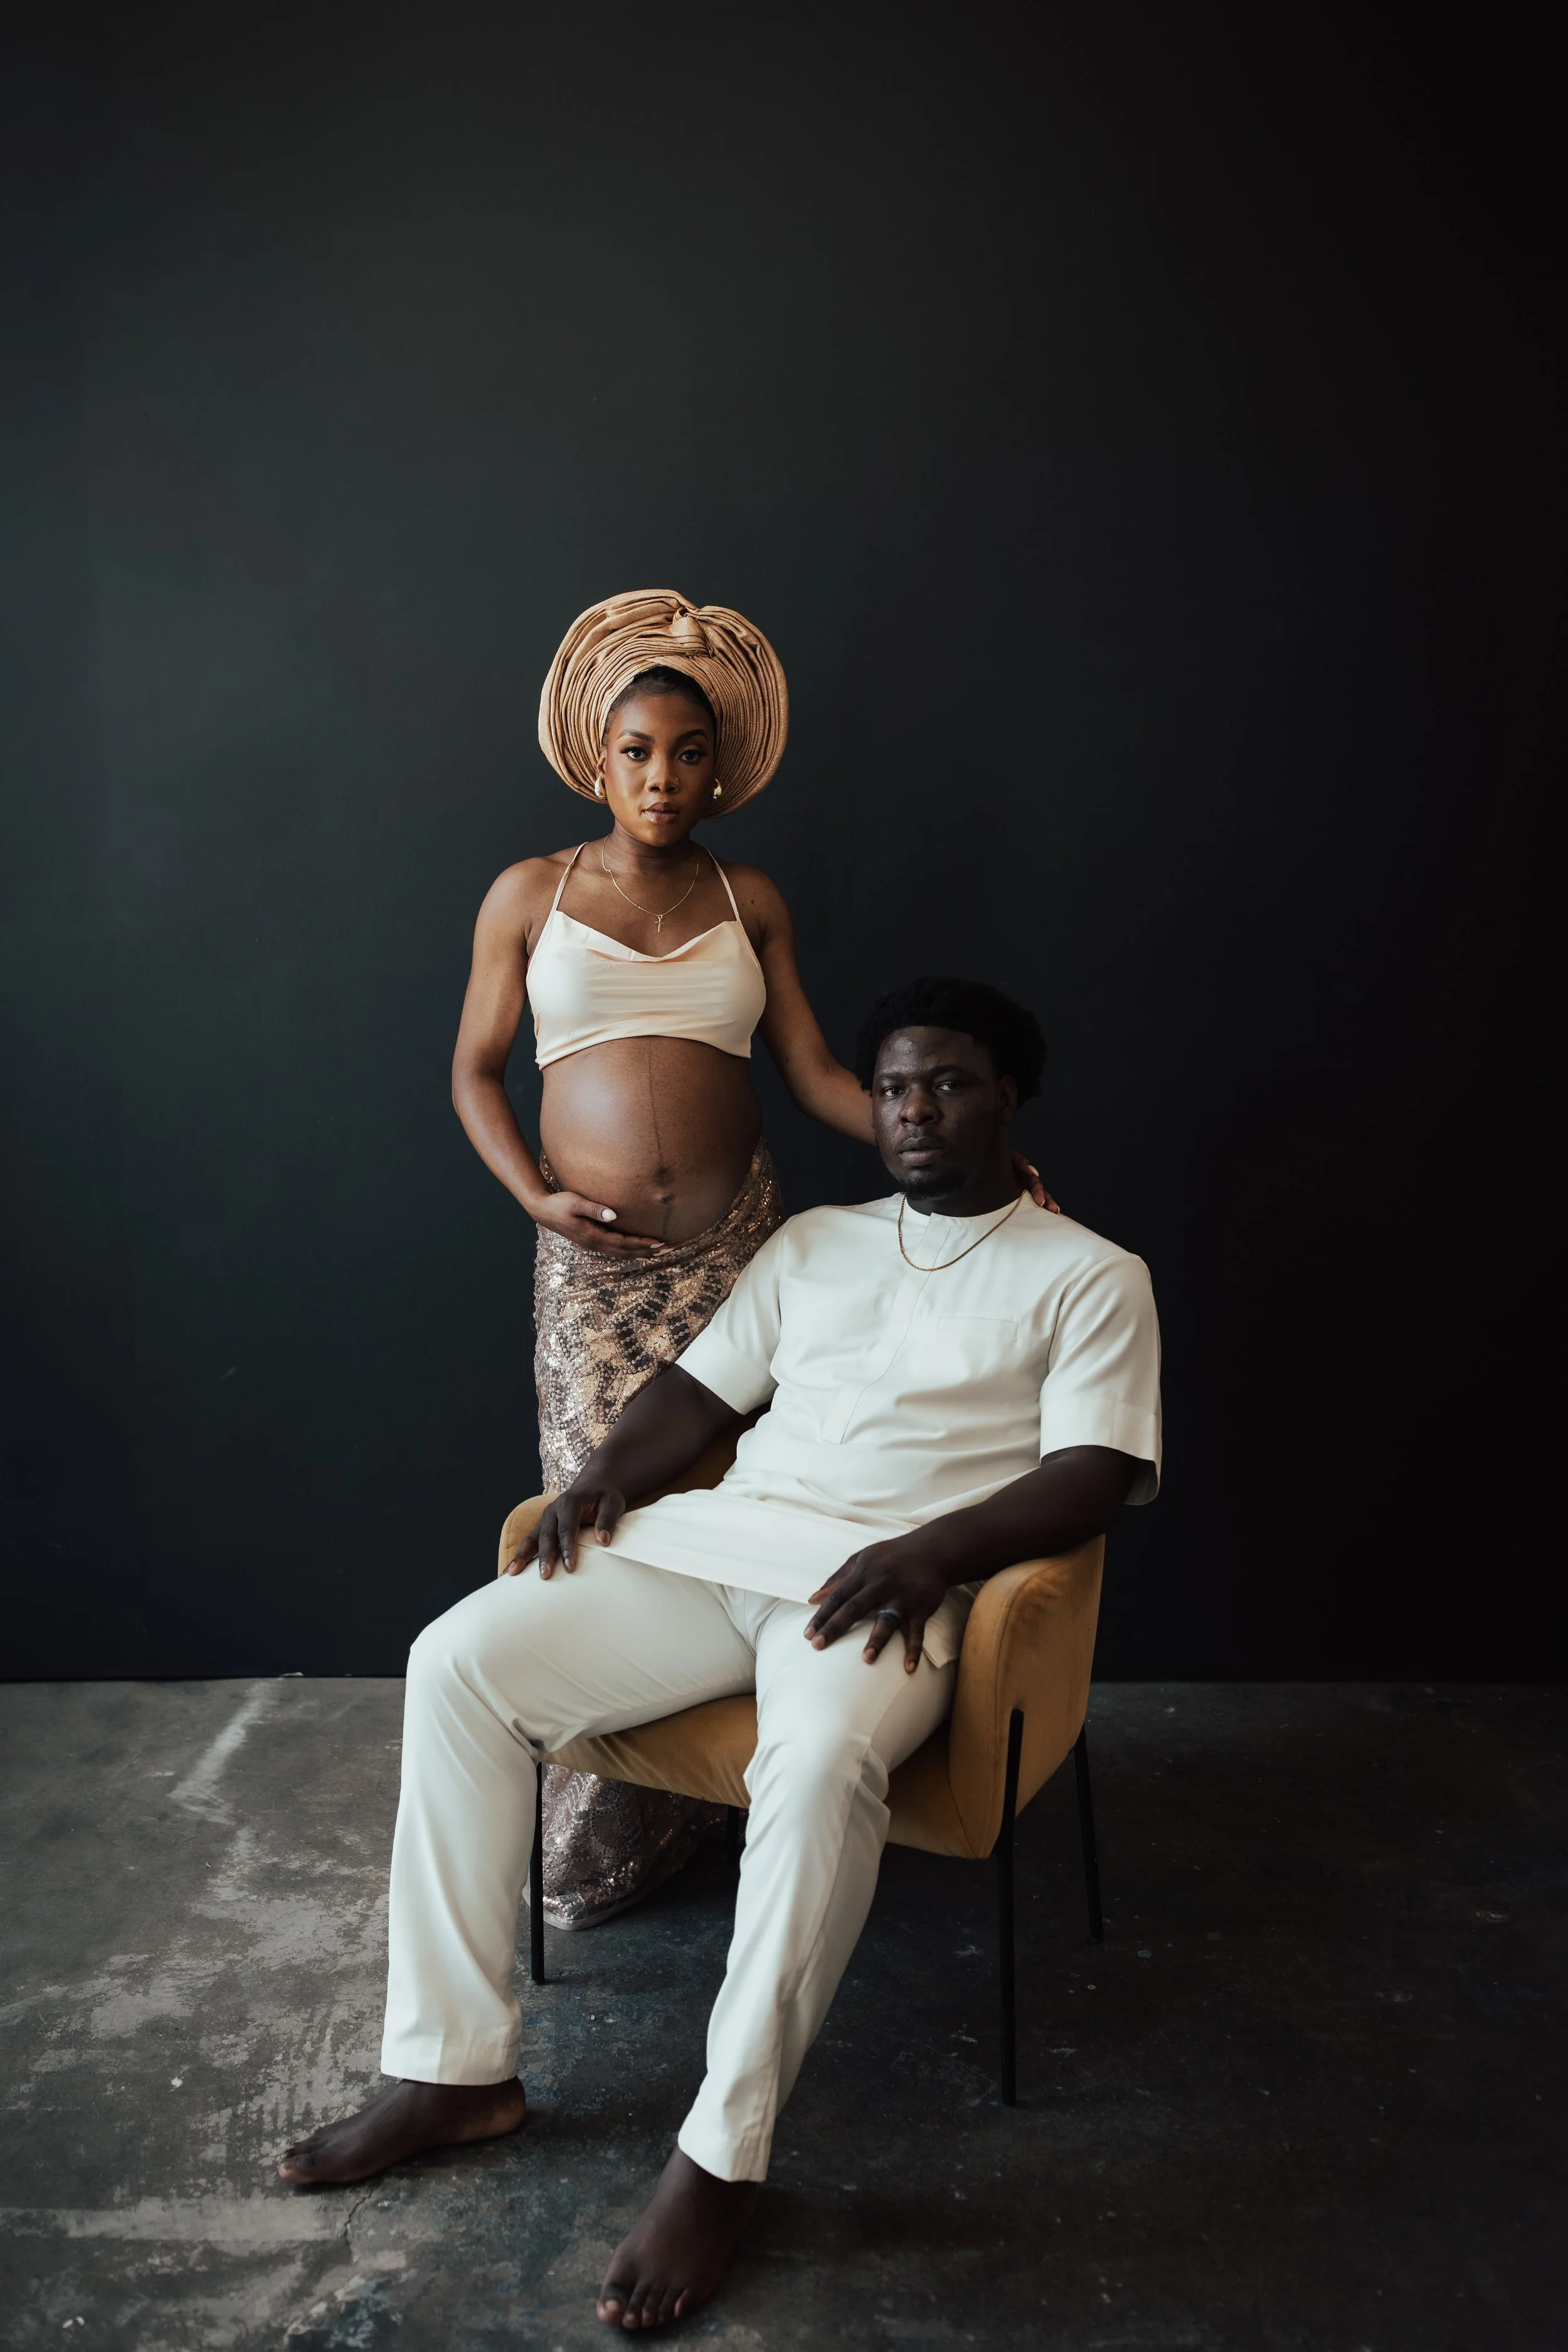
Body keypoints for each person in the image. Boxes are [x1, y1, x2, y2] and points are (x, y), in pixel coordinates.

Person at [279, 977, 1161, 2333]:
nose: (914, 1112)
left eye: (948, 1085)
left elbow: (1096, 1471)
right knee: (456, 1656)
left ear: (1008, 1095)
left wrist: (932, 1552)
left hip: (877, 1595)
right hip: (718, 1550)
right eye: (891, 1088)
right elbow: (697, 1392)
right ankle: (452, 2069)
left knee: (811, 1775)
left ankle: (721, 2155)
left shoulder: (1090, 1274)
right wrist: (599, 1479)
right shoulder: (815, 1242)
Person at [451, 590, 1047, 1928]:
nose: (662, 778)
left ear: (718, 770)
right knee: (604, 1530)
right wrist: (533, 1198)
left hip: (739, 1254)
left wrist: (981, 1165)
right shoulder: (530, 894)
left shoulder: (746, 896)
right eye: (637, 753)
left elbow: (821, 1077)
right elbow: (472, 1072)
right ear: (596, 762)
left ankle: (741, 1797)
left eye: (687, 754)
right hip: (597, 1273)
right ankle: (613, 1833)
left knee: (736, 1522)